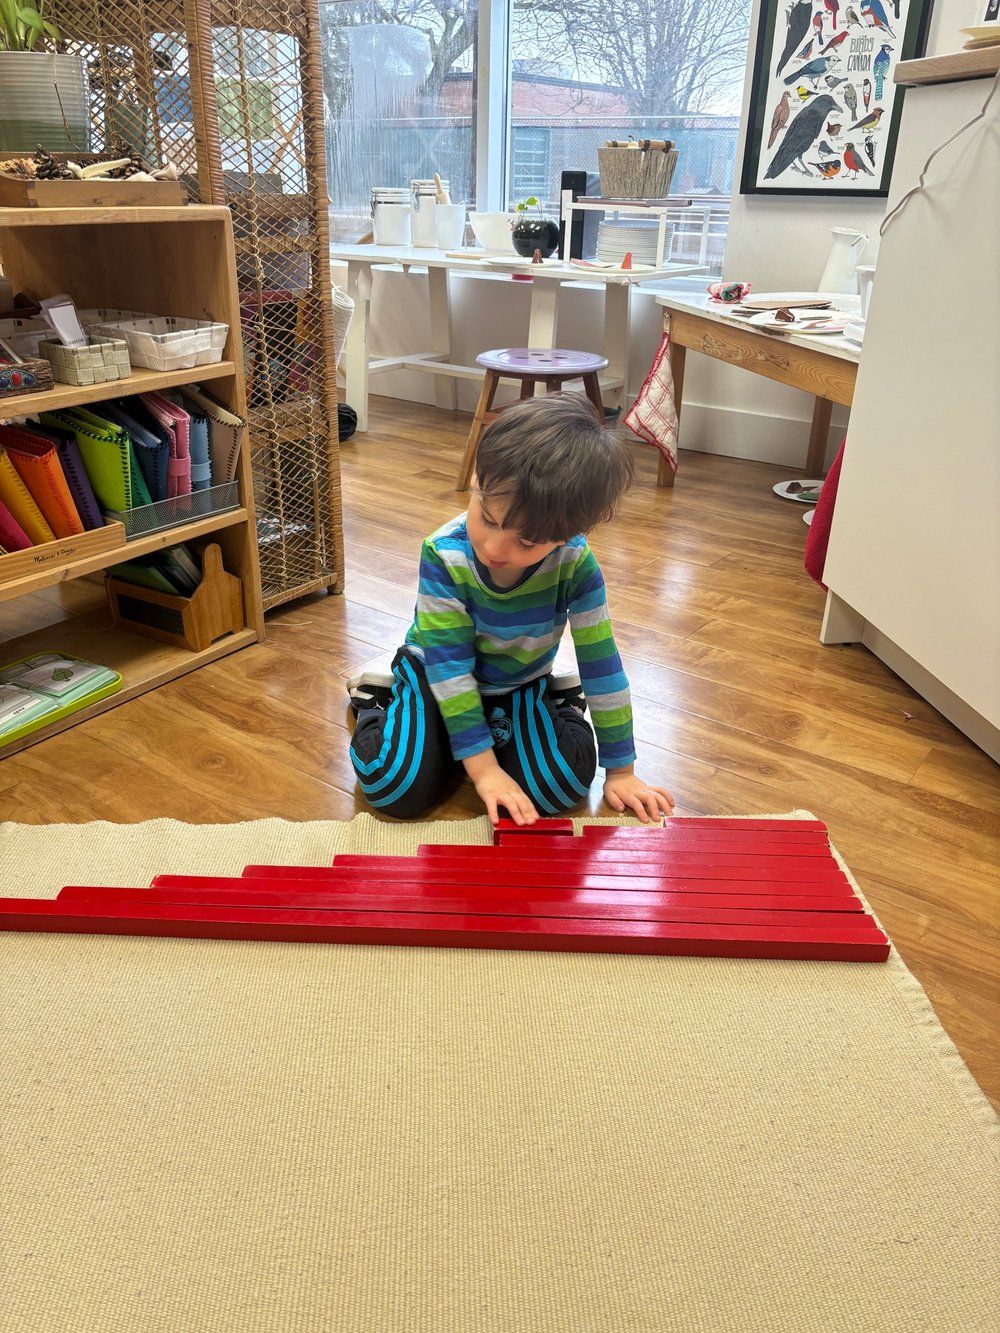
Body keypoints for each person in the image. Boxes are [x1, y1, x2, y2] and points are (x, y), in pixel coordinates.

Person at [347, 393, 674, 826]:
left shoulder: (575, 563)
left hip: (518, 681)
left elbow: (603, 665)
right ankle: (380, 702)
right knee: (393, 789)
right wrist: (483, 773)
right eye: (488, 517)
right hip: (437, 674)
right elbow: (450, 668)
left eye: (526, 541)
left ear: (567, 534)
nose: (493, 548)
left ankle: (555, 705)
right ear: (478, 480)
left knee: (560, 790)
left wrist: (621, 771)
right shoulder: (445, 555)